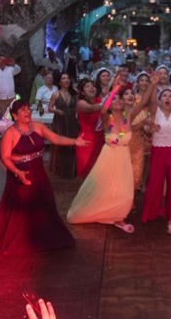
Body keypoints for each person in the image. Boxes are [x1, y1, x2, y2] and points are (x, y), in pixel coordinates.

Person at [0, 100, 86, 253]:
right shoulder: (10, 133)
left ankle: (43, 237)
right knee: (22, 210)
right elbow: (5, 158)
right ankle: (23, 241)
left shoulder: (38, 126)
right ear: (14, 115)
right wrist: (17, 172)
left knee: (45, 203)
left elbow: (56, 139)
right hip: (21, 175)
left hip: (38, 172)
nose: (27, 112)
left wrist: (75, 141)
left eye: (28, 109)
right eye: (23, 110)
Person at [67, 81, 147, 232]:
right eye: (114, 100)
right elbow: (103, 109)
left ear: (123, 104)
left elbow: (142, 101)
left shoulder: (127, 117)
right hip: (108, 158)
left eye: (119, 99)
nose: (116, 101)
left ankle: (118, 217)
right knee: (102, 190)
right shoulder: (106, 119)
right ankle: (106, 215)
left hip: (123, 159)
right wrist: (114, 90)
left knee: (125, 194)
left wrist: (153, 85)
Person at [141, 71, 171, 235]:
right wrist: (154, 84)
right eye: (164, 96)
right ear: (160, 99)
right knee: (154, 184)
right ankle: (151, 212)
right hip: (158, 153)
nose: (167, 98)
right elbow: (151, 100)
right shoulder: (155, 111)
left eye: (170, 96)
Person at [48, 73, 79, 178]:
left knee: (71, 143)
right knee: (60, 144)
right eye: (64, 78)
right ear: (60, 82)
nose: (66, 80)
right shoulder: (56, 94)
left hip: (72, 121)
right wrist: (57, 111)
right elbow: (50, 108)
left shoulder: (74, 93)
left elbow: (79, 106)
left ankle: (71, 169)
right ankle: (60, 170)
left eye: (68, 78)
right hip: (60, 122)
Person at [76, 78, 105, 177]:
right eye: (87, 86)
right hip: (87, 142)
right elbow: (92, 108)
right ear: (83, 92)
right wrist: (109, 100)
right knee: (88, 173)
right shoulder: (80, 103)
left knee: (101, 172)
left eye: (92, 86)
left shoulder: (99, 100)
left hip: (101, 139)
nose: (91, 88)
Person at [130, 72, 152, 192]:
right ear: (137, 83)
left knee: (148, 159)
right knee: (136, 158)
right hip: (136, 130)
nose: (144, 83)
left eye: (146, 80)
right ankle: (134, 181)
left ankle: (143, 182)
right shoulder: (133, 97)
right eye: (141, 80)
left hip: (149, 129)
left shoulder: (152, 97)